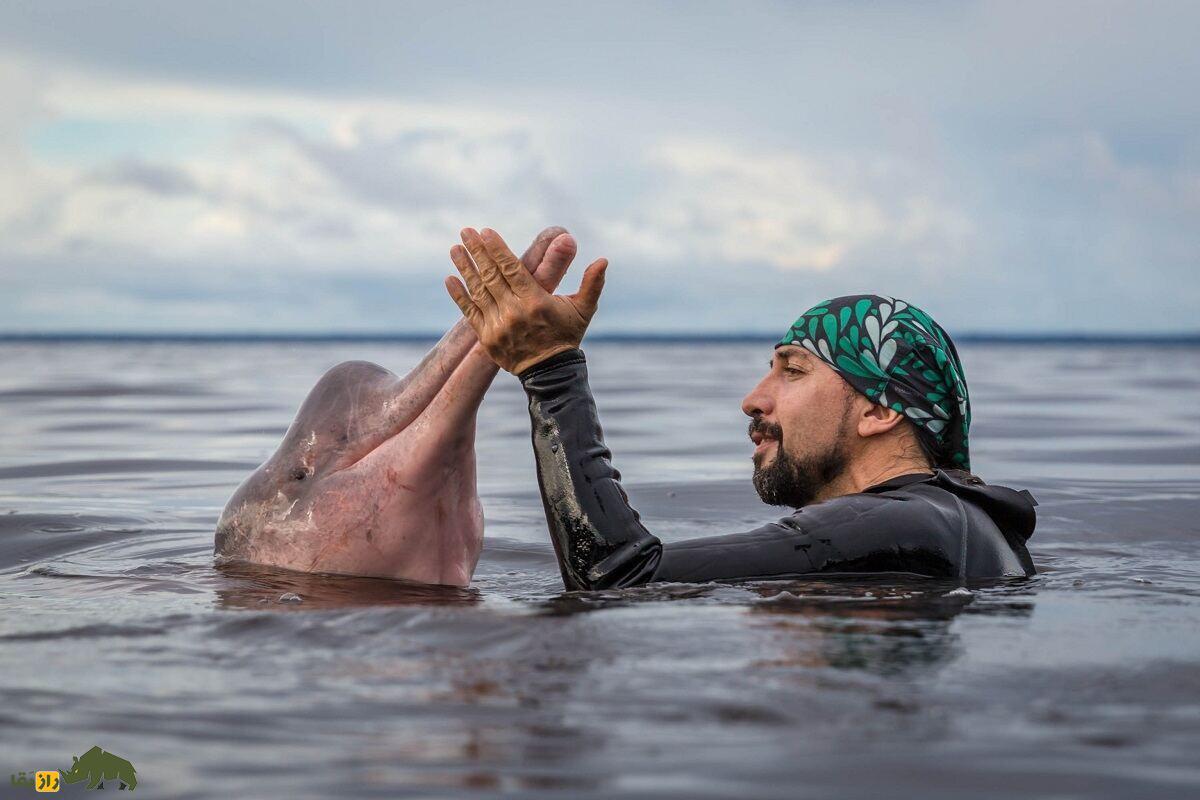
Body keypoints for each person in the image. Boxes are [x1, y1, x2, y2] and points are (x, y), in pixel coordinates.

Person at [445, 227, 1037, 591]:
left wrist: (550, 371)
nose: (753, 399)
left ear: (880, 412)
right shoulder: (960, 527)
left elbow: (618, 577)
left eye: (794, 370)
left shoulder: (896, 522)